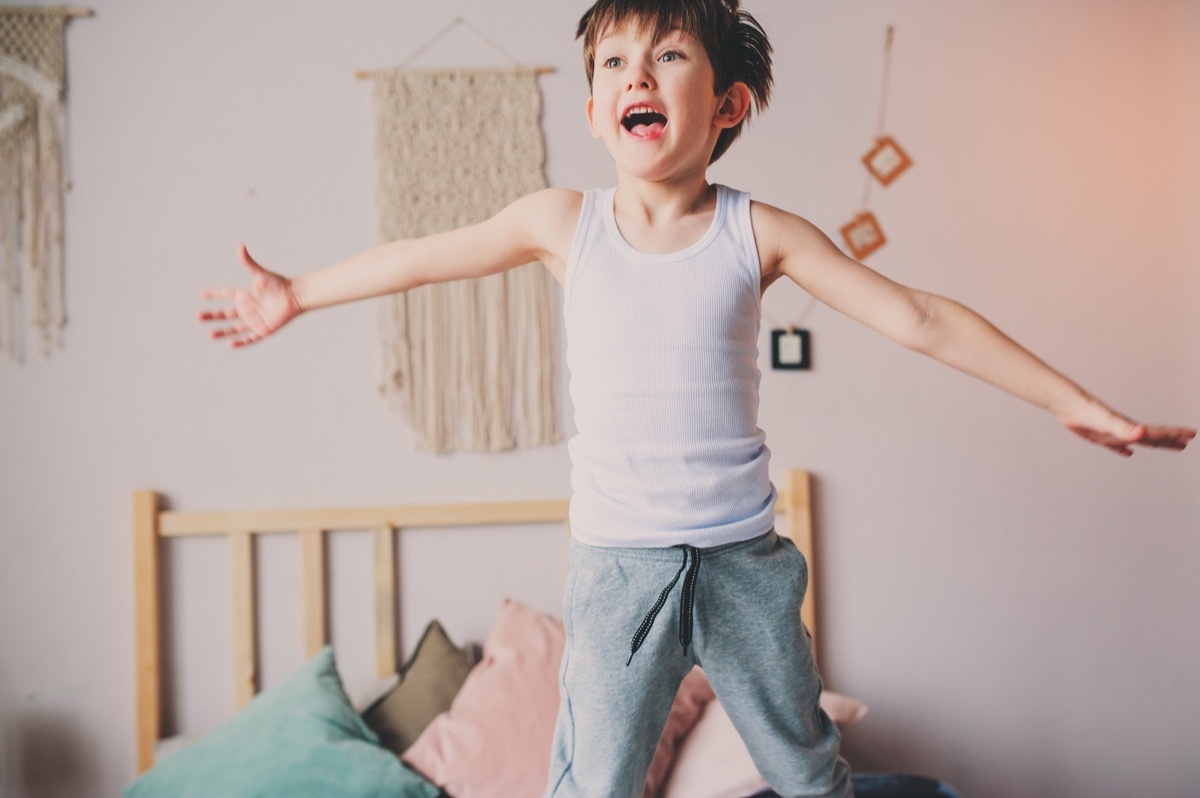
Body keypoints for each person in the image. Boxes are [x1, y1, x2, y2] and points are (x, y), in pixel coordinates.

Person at [198, 2, 1195, 796]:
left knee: (806, 767)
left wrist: (1070, 398)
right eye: (614, 64)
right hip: (619, 573)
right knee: (595, 781)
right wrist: (297, 294)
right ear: (593, 111)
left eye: (669, 57)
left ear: (729, 105)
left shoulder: (759, 233)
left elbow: (920, 318)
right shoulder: (561, 223)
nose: (637, 75)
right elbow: (418, 258)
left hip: (743, 568)